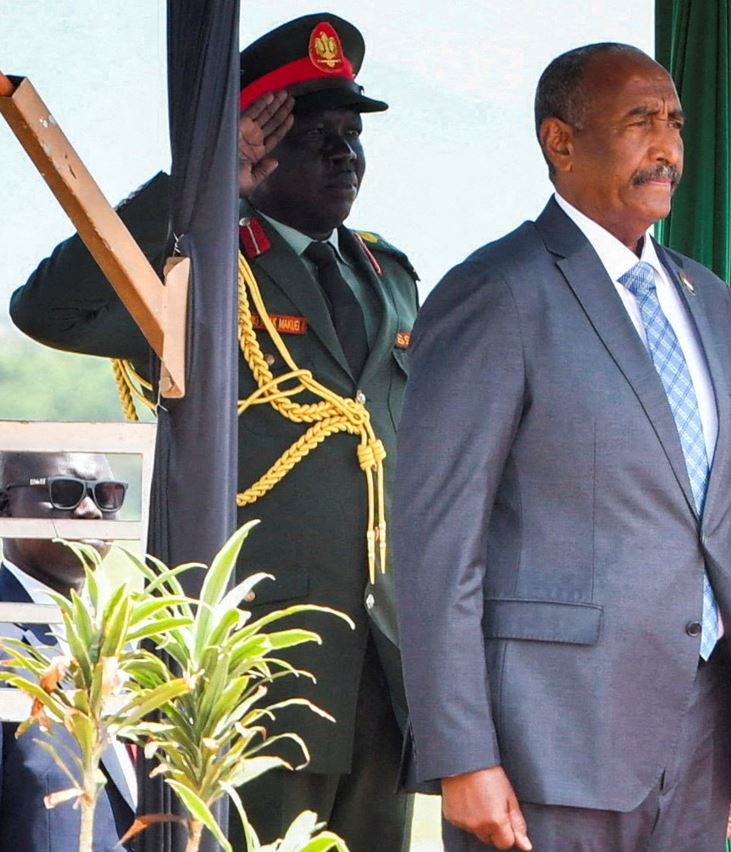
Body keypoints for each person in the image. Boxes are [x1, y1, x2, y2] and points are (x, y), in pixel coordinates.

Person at [394, 42, 731, 851]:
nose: (666, 147)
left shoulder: (707, 299)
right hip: (546, 747)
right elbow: (435, 546)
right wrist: (463, 757)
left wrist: (720, 746)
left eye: (673, 123)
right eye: (639, 122)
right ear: (560, 142)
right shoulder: (498, 291)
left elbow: (708, 524)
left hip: (695, 736)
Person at [9, 14, 419, 851]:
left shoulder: (392, 277)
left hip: (383, 670)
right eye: (316, 137)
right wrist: (199, 185)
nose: (345, 155)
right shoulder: (196, 269)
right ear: (257, 152)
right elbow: (48, 309)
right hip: (252, 670)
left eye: (353, 136)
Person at [0, 451, 137, 852]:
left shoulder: (130, 642)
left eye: (107, 494)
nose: (91, 510)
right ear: (5, 505)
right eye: (65, 492)